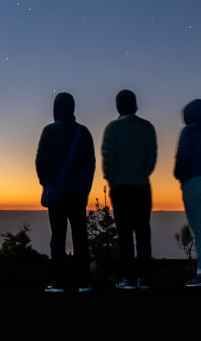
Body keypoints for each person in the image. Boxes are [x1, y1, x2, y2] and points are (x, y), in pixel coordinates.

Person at [36, 92, 95, 293]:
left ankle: (57, 281)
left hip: (56, 194)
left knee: (57, 237)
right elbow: (91, 163)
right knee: (80, 237)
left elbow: (40, 161)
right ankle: (84, 282)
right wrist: (85, 188)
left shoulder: (49, 131)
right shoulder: (83, 132)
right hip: (78, 193)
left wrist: (46, 183)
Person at [101, 89, 157, 290]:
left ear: (118, 106)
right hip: (141, 185)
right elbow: (152, 156)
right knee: (143, 231)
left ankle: (129, 278)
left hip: (120, 187)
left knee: (124, 233)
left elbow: (107, 158)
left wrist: (113, 179)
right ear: (135, 104)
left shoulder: (112, 129)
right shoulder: (147, 127)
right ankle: (145, 277)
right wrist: (142, 173)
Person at [174, 99, 201, 287]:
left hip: (193, 183)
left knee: (199, 228)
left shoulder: (189, 132)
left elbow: (182, 157)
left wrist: (180, 176)